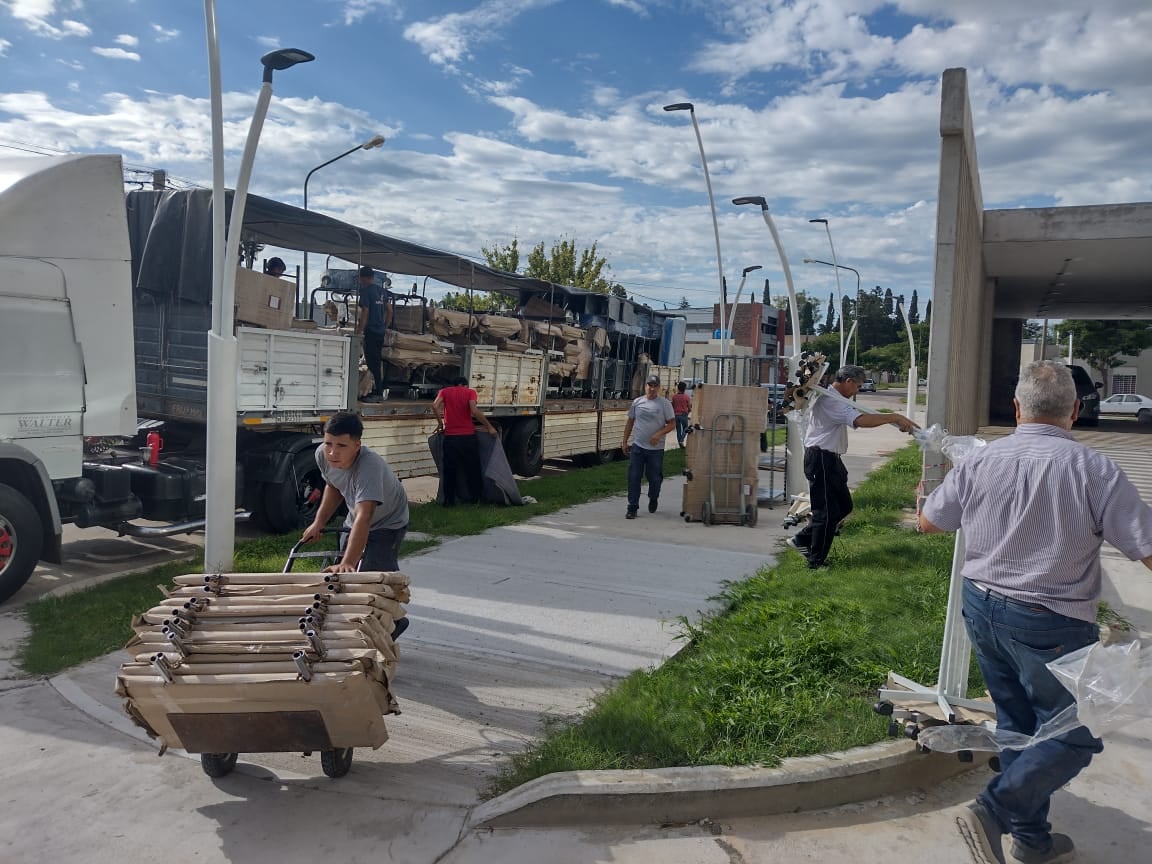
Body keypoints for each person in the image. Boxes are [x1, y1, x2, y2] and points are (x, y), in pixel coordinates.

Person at [919, 361, 1152, 864]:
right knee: (1073, 737)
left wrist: (928, 499)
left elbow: (930, 522)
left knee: (1020, 728)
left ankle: (1031, 841)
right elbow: (1147, 545)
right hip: (1050, 622)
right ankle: (993, 810)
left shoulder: (982, 460)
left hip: (982, 607)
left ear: (1017, 408)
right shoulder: (1095, 470)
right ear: (1075, 409)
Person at [786, 364, 917, 569]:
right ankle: (816, 561)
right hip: (821, 459)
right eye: (858, 386)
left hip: (831, 459)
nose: (858, 390)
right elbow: (861, 420)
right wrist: (893, 417)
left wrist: (894, 418)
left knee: (844, 506)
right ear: (848, 381)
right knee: (826, 513)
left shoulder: (837, 399)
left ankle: (802, 539)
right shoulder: (832, 401)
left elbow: (862, 416)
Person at [301, 411, 410, 637]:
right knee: (339, 579)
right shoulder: (322, 454)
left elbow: (365, 516)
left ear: (357, 445)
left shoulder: (369, 467)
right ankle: (346, 626)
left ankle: (395, 621)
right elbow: (333, 485)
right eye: (328, 443)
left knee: (370, 576)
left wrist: (349, 562)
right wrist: (318, 522)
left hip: (388, 522)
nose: (333, 452)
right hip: (354, 518)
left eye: (341, 445)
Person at [433, 376, 498, 506]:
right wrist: (489, 427)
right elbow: (474, 410)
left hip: (450, 438)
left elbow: (435, 406)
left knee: (450, 471)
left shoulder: (444, 392)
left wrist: (440, 423)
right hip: (468, 437)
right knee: (472, 469)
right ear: (464, 384)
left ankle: (449, 501)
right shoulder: (470, 392)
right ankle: (476, 499)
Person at [621, 374, 676, 519]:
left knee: (654, 478)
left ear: (658, 388)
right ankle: (632, 507)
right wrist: (624, 441)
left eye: (654, 386)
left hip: (655, 450)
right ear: (645, 386)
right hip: (638, 447)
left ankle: (653, 497)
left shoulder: (664, 404)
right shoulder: (637, 402)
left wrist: (658, 434)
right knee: (634, 477)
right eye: (649, 385)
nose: (651, 388)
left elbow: (672, 424)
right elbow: (630, 422)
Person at [356, 265, 392, 403]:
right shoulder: (382, 291)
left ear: (364, 278)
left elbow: (365, 311)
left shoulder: (366, 291)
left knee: (372, 362)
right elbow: (390, 310)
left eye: (360, 278)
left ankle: (378, 392)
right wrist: (384, 326)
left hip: (370, 330)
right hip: (379, 331)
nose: (360, 281)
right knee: (376, 360)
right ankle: (376, 390)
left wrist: (360, 330)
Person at [671, 381, 692, 448]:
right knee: (686, 428)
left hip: (676, 415)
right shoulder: (687, 397)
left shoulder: (674, 397)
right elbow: (689, 407)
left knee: (678, 429)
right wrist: (688, 412)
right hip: (684, 414)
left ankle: (679, 442)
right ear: (684, 389)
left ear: (678, 388)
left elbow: (672, 406)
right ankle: (681, 440)